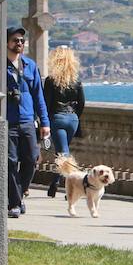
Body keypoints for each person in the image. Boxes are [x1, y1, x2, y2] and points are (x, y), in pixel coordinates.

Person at [0, 27, 49, 217]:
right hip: (8, 120)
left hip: (27, 120)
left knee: (31, 159)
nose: (19, 43)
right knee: (11, 162)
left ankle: (17, 196)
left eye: (21, 40)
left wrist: (45, 122)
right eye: (15, 40)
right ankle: (14, 203)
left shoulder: (30, 65)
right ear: (6, 42)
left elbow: (39, 96)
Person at [43, 46, 86, 198]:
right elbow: (81, 103)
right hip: (72, 119)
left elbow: (46, 104)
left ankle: (74, 185)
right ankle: (55, 182)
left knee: (63, 153)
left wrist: (44, 122)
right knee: (61, 152)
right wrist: (74, 116)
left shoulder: (50, 81)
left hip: (57, 118)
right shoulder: (76, 81)